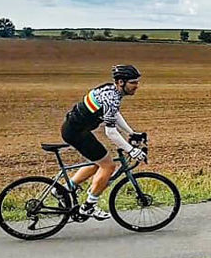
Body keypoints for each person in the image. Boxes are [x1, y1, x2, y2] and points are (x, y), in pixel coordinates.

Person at [60, 64, 147, 220]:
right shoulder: (111, 98)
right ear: (121, 82)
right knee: (108, 165)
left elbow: (114, 114)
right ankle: (88, 206)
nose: (137, 86)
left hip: (75, 129)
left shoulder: (111, 91)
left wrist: (131, 132)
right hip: (76, 133)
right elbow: (111, 132)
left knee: (97, 162)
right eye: (133, 82)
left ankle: (64, 190)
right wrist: (131, 150)